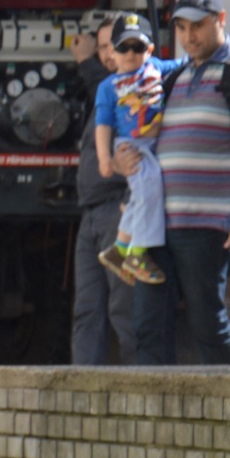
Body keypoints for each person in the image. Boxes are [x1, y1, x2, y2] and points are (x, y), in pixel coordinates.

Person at [119, 0, 230, 365]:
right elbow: (150, 143)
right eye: (182, 27)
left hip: (208, 223)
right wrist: (125, 161)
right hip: (156, 225)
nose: (189, 36)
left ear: (221, 20)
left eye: (198, 26)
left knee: (207, 324)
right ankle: (156, 403)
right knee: (148, 327)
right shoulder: (175, 77)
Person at [69, 18, 138, 365]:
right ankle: (82, 388)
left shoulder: (138, 87)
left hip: (118, 211)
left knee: (125, 310)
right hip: (93, 212)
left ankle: (142, 388)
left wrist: (85, 62)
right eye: (102, 48)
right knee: (87, 310)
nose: (110, 54)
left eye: (116, 44)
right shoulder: (106, 90)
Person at [93, 17, 174, 287]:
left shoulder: (156, 68)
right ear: (111, 51)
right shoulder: (108, 87)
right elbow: (103, 125)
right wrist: (105, 159)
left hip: (154, 145)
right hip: (131, 146)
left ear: (149, 50)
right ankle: (137, 254)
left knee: (140, 197)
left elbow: (188, 64)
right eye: (123, 47)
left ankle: (118, 250)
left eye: (137, 47)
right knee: (149, 191)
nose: (130, 54)